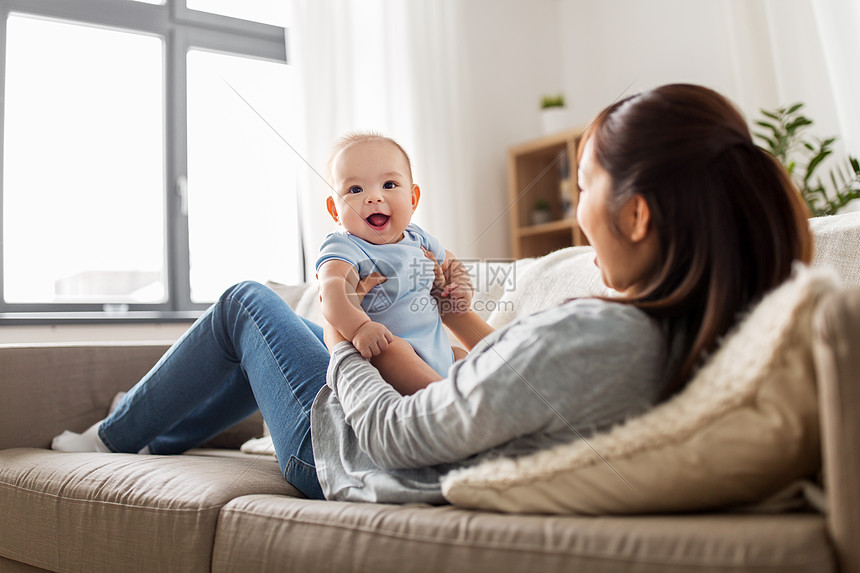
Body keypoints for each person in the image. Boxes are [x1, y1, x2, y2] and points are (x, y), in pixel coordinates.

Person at [51, 84, 812, 504]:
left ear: (637, 214)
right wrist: (449, 316)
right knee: (258, 333)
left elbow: (398, 435)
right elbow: (494, 369)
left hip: (346, 453)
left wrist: (347, 341)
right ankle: (161, 433)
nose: (577, 213)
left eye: (581, 187)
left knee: (246, 302)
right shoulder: (677, 326)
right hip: (397, 400)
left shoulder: (600, 341)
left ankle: (114, 438)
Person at [316, 132, 474, 388]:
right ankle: (443, 400)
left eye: (389, 185)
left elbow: (451, 263)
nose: (374, 197)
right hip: (387, 355)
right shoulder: (345, 246)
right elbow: (331, 289)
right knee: (392, 349)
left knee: (463, 357)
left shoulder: (418, 238)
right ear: (335, 211)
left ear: (413, 199)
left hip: (440, 354)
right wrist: (359, 329)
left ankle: (464, 394)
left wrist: (462, 286)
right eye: (355, 189)